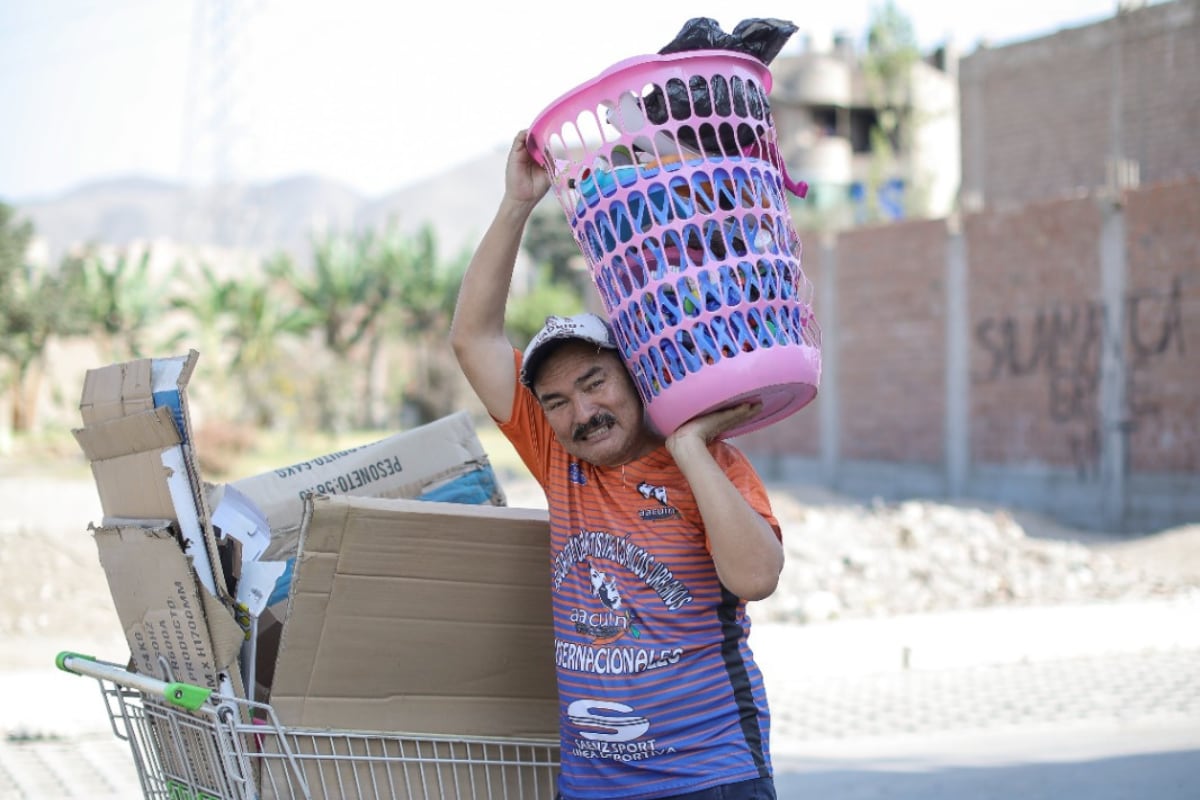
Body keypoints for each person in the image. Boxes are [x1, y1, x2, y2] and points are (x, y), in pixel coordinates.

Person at [450, 129, 784, 800]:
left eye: (594, 383)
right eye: (556, 401)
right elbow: (473, 338)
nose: (581, 412)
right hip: (593, 786)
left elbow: (758, 577)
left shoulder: (713, 464)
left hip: (711, 776)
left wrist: (687, 448)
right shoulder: (558, 456)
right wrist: (517, 204)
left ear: (635, 376)